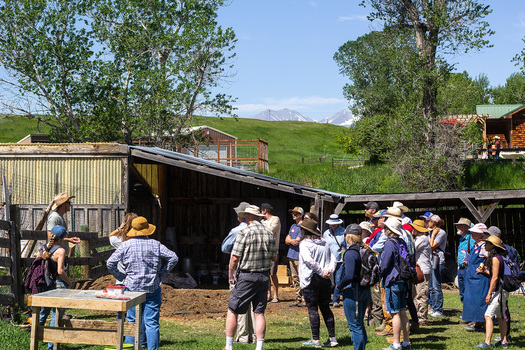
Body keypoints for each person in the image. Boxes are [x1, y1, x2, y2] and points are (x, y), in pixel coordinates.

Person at [107, 216, 179, 350]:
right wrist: (163, 271)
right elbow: (173, 257)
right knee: (151, 322)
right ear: (147, 230)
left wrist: (121, 276)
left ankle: (130, 347)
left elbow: (110, 263)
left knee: (132, 320)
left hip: (132, 287)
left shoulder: (126, 245)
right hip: (152, 287)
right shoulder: (155, 244)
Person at [224, 205, 277, 350]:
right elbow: (274, 257)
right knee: (259, 313)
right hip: (264, 277)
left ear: (248, 216)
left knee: (232, 309)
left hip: (247, 276)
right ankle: (259, 347)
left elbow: (235, 258)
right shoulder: (269, 233)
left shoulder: (244, 232)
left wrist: (231, 275)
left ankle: (229, 346)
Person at [298, 218, 338, 348]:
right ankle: (332, 338)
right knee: (326, 308)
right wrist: (329, 271)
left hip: (312, 279)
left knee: (313, 309)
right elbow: (334, 259)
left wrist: (322, 272)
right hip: (325, 280)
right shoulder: (324, 242)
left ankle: (316, 340)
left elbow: (308, 260)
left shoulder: (305, 244)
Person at [221, 202, 255, 344]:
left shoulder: (237, 231)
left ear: (240, 216)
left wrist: (231, 275)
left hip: (241, 270)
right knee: (255, 306)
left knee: (240, 304)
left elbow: (225, 247)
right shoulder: (261, 229)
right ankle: (255, 336)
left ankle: (242, 336)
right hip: (256, 270)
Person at [38, 225, 74, 350]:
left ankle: (36, 336)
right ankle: (52, 346)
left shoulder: (42, 249)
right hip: (59, 285)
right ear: (62, 238)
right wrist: (69, 283)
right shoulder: (61, 251)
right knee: (56, 316)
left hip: (47, 285)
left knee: (43, 312)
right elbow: (60, 271)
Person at [338, 223, 372, 350]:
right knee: (359, 323)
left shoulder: (350, 253)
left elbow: (349, 275)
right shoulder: (365, 250)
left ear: (350, 237)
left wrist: (338, 286)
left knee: (354, 326)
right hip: (365, 290)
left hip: (353, 292)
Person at [380, 218, 411, 350]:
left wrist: (379, 274)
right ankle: (406, 342)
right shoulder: (402, 242)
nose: (384, 229)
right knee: (403, 312)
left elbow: (385, 264)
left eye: (385, 228)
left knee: (395, 313)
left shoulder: (389, 244)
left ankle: (396, 343)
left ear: (389, 230)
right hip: (404, 280)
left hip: (392, 281)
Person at [474, 235, 509, 348]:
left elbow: (495, 278)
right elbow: (496, 275)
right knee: (500, 316)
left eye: (487, 243)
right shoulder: (500, 257)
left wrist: (489, 294)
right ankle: (504, 342)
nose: (485, 245)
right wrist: (485, 271)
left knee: (488, 315)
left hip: (498, 291)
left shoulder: (495, 259)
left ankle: (487, 342)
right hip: (503, 290)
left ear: (493, 246)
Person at [462, 223, 490, 332]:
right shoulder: (475, 245)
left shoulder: (484, 247)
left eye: (474, 232)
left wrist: (486, 267)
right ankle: (476, 322)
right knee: (473, 301)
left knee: (480, 301)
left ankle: (480, 324)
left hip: (480, 279)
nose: (472, 234)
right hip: (472, 278)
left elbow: (491, 258)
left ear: (480, 234)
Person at [409, 220, 431, 325]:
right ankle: (417, 316)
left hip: (423, 269)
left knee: (422, 293)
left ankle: (422, 317)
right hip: (418, 269)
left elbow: (412, 248)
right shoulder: (418, 238)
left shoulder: (423, 238)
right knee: (415, 294)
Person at [323, 213, 346, 308]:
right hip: (328, 260)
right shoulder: (326, 233)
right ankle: (327, 298)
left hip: (340, 260)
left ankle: (335, 300)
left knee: (338, 280)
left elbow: (346, 245)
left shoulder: (343, 232)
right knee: (328, 280)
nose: (333, 225)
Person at [109, 212, 139, 285]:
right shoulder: (142, 242)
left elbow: (110, 236)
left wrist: (119, 228)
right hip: (138, 280)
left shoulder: (119, 241)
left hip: (123, 280)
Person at [261, 202, 282, 303]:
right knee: (265, 273)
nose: (261, 212)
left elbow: (269, 231)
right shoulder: (262, 221)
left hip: (273, 250)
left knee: (273, 273)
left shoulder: (275, 219)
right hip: (263, 250)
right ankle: (268, 294)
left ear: (265, 210)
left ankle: (275, 295)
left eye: (262, 210)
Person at [286, 206, 304, 307]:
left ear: (300, 215)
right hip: (291, 255)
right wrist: (291, 241)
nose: (293, 215)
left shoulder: (303, 226)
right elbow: (286, 240)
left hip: (299, 256)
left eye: (296, 214)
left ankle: (304, 298)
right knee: (295, 278)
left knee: (302, 277)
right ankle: (298, 298)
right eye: (293, 213)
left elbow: (297, 241)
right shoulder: (292, 226)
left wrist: (291, 241)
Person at [428, 214, 447, 317]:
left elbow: (431, 246)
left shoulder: (441, 233)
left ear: (434, 223)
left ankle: (438, 309)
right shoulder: (431, 232)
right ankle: (433, 307)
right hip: (430, 260)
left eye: (430, 221)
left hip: (438, 260)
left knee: (436, 285)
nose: (428, 223)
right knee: (431, 286)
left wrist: (433, 235)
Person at [455, 217, 475, 305]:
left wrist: (469, 262)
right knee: (462, 291)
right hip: (461, 269)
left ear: (466, 227)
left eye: (460, 226)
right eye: (457, 226)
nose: (457, 227)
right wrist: (458, 266)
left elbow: (474, 254)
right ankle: (466, 311)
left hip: (468, 269)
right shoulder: (461, 239)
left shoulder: (472, 239)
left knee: (469, 291)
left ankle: (470, 312)